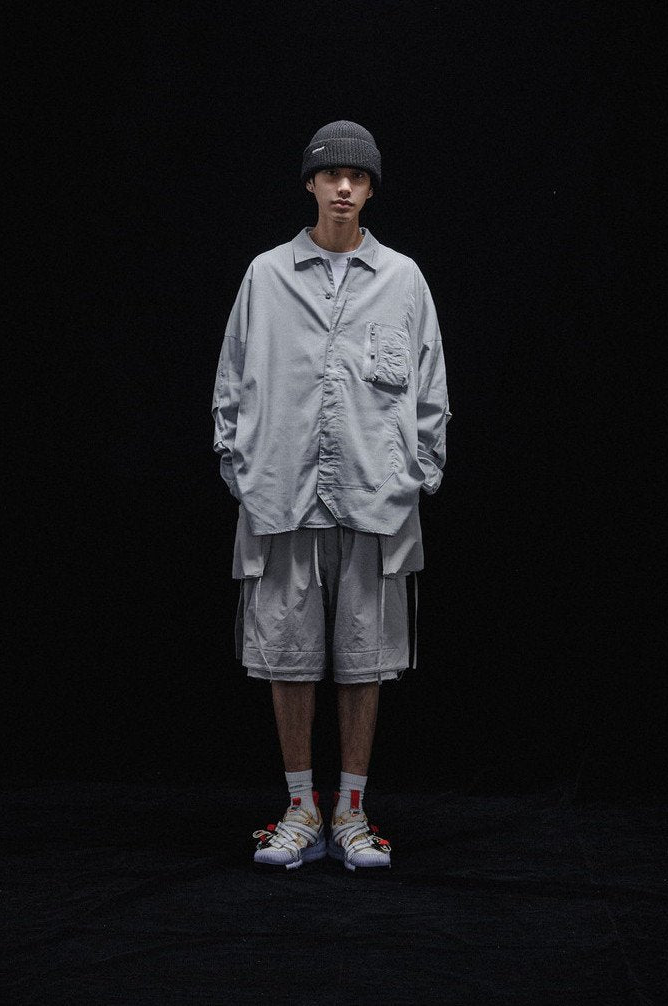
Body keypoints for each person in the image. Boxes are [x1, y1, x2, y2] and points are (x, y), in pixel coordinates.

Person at [210, 120, 451, 872]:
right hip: (281, 498)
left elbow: (431, 393)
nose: (344, 186)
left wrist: (415, 476)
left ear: (371, 189)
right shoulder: (266, 276)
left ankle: (351, 810)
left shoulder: (404, 280)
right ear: (310, 184)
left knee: (364, 658)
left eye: (358, 176)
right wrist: (245, 474)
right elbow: (230, 386)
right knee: (287, 656)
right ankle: (299, 808)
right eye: (331, 174)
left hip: (377, 501)